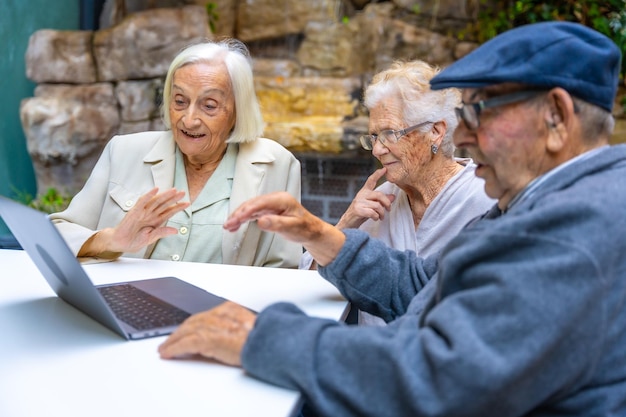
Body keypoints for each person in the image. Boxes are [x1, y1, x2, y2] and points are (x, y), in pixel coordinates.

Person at [159, 21, 626, 417]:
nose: (460, 135)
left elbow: (437, 377)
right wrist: (323, 234)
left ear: (557, 117)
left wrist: (263, 336)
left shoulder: (573, 232)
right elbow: (424, 284)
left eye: (480, 110)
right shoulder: (539, 203)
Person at [50, 38, 302, 268]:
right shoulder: (123, 151)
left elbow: (284, 270)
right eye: (180, 101)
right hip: (127, 306)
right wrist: (112, 240)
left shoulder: (276, 165)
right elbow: (57, 232)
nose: (189, 120)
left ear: (238, 111)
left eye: (209, 106)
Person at [299, 60, 494, 325]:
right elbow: (307, 283)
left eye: (390, 133)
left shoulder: (484, 198)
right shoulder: (382, 198)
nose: (377, 150)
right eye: (374, 137)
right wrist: (348, 221)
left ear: (435, 132)